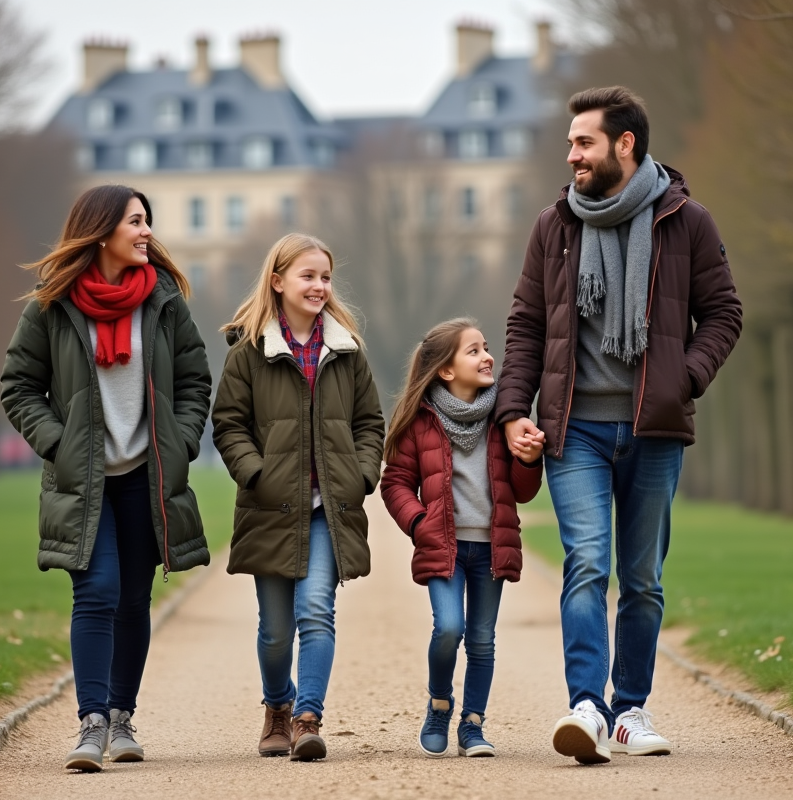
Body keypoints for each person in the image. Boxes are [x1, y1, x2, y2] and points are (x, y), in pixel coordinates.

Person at [496, 86, 742, 764]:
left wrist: (683, 378)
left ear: (624, 145)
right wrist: (514, 412)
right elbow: (525, 326)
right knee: (586, 563)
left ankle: (630, 708)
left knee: (642, 578)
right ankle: (587, 707)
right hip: (574, 430)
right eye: (571, 143)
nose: (571, 155)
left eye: (584, 142)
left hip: (654, 430)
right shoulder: (554, 226)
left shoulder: (688, 222)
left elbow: (724, 314)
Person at [0, 185, 212, 772]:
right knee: (97, 591)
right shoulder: (51, 305)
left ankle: (122, 719)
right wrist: (59, 443)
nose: (147, 232)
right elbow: (18, 386)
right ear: (100, 231)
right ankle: (92, 723)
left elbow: (195, 381)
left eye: (147, 221)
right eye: (135, 222)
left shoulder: (164, 301)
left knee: (134, 598)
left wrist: (181, 441)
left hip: (146, 475)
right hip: (84, 479)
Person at [212, 233, 385, 762]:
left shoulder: (347, 351)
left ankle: (308, 718)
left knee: (316, 611)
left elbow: (370, 423)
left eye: (325, 277)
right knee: (275, 632)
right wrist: (256, 474)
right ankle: (277, 707)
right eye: (308, 276)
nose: (319, 286)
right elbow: (229, 424)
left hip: (328, 509)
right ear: (278, 281)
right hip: (270, 506)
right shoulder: (248, 352)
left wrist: (360, 475)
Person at [381, 319, 543, 759]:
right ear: (446, 370)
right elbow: (395, 482)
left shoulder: (504, 418)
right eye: (474, 351)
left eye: (486, 347)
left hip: (492, 548)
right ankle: (439, 705)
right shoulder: (420, 422)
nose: (487, 356)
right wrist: (419, 523)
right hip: (444, 546)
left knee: (483, 639)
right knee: (449, 627)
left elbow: (523, 491)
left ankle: (473, 724)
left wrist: (529, 460)